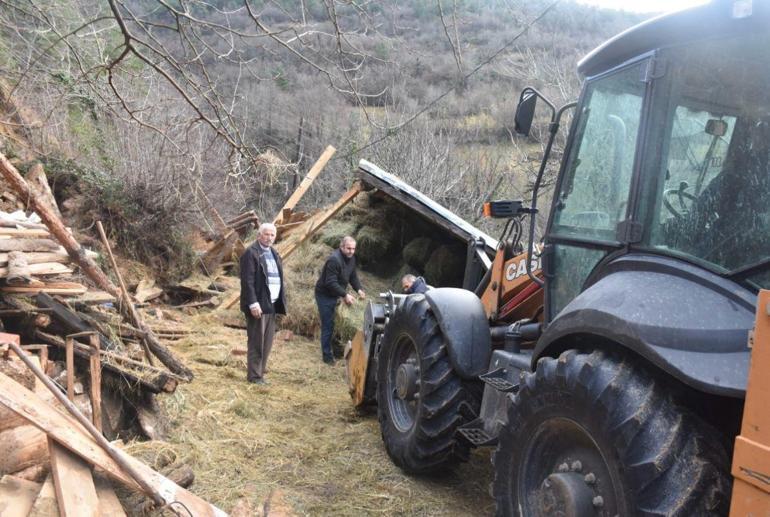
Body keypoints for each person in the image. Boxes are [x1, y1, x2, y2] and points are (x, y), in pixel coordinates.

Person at [239, 223, 286, 384]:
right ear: (259, 235)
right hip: (258, 304)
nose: (269, 238)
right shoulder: (251, 253)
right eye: (266, 234)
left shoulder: (274, 253)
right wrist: (253, 303)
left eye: (272, 235)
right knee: (256, 341)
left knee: (267, 342)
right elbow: (247, 281)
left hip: (271, 304)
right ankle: (254, 376)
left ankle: (260, 374)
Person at [315, 236, 365, 364]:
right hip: (325, 294)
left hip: (337, 293)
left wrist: (359, 289)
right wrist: (345, 295)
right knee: (328, 324)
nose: (351, 251)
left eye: (353, 249)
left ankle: (336, 350)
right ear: (341, 247)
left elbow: (353, 276)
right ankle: (327, 357)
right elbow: (330, 282)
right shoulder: (334, 260)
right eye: (348, 248)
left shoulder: (351, 259)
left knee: (337, 322)